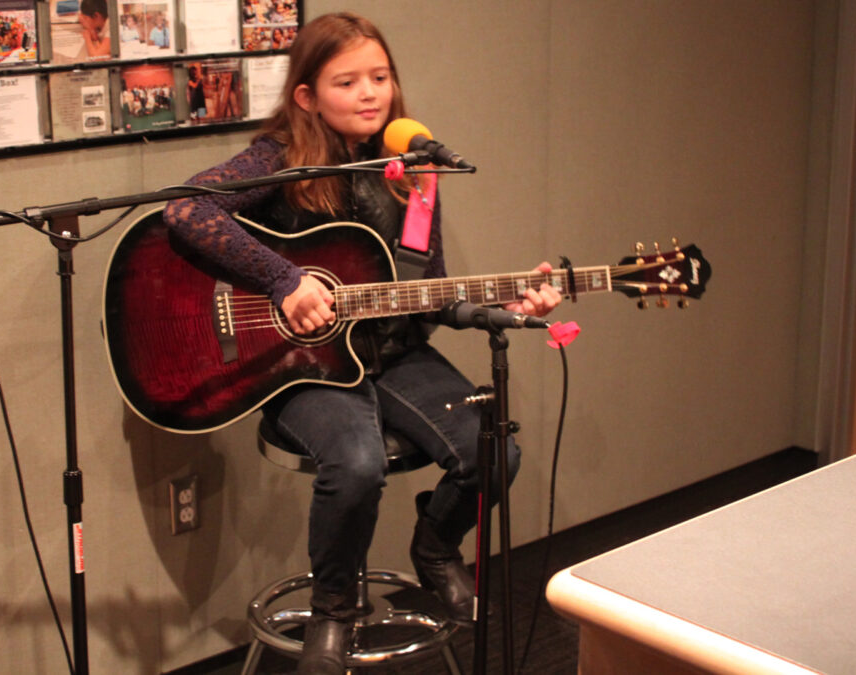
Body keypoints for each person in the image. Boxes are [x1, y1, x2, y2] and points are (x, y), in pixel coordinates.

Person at [163, 12, 560, 675]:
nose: (371, 92)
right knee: (357, 462)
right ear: (307, 96)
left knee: (495, 449)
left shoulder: (414, 167)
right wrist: (284, 279)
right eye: (347, 81)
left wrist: (504, 307)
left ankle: (435, 547)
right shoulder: (277, 159)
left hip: (394, 354)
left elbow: (426, 290)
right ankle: (334, 605)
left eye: (380, 77)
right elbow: (185, 210)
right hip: (302, 363)